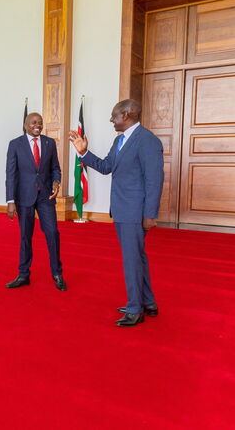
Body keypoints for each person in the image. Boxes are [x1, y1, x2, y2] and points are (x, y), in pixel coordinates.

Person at [69, 99, 164, 327]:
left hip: (135, 211)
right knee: (137, 257)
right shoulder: (119, 140)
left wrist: (150, 214)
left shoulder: (148, 141)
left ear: (128, 114)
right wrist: (84, 152)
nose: (111, 120)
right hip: (121, 209)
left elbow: (155, 179)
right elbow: (105, 167)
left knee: (132, 260)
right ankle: (147, 303)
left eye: (115, 115)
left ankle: (134, 309)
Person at [5, 112, 67, 291]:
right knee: (25, 236)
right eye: (33, 123)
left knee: (53, 234)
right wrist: (10, 200)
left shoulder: (49, 143)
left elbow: (55, 168)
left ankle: (57, 273)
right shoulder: (15, 144)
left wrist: (56, 182)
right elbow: (11, 174)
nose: (37, 125)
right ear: (25, 125)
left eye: (39, 123)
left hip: (45, 197)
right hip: (24, 197)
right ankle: (23, 274)